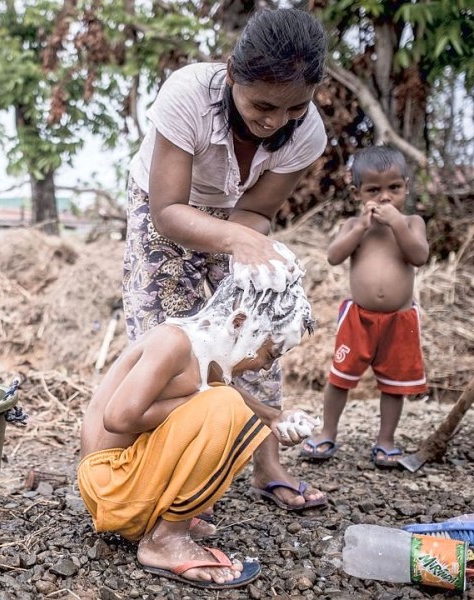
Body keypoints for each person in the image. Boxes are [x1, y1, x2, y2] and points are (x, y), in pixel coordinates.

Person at [122, 7, 328, 510]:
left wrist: (247, 270)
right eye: (263, 104)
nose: (275, 121)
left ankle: (266, 461)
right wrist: (236, 243)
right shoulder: (188, 95)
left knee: (255, 326)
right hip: (167, 206)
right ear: (233, 75)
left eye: (293, 109)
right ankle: (151, 464)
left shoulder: (307, 133)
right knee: (168, 334)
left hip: (240, 215)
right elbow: (168, 211)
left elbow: (257, 209)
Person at [79, 253, 320, 590]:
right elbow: (119, 417)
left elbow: (215, 392)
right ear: (239, 323)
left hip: (128, 486)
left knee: (226, 402)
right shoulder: (173, 342)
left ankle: (166, 522)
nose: (266, 368)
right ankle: (165, 540)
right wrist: (202, 401)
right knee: (224, 405)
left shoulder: (205, 355)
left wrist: (276, 417)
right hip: (109, 485)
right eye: (269, 354)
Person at [301, 145, 430, 467]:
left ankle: (385, 441)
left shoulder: (412, 223)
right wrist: (359, 228)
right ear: (358, 193)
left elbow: (419, 256)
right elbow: (333, 257)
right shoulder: (353, 227)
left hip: (400, 320)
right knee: (340, 377)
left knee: (395, 384)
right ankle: (327, 431)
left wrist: (397, 224)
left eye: (394, 189)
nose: (385, 198)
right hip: (358, 318)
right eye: (374, 190)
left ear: (406, 187)